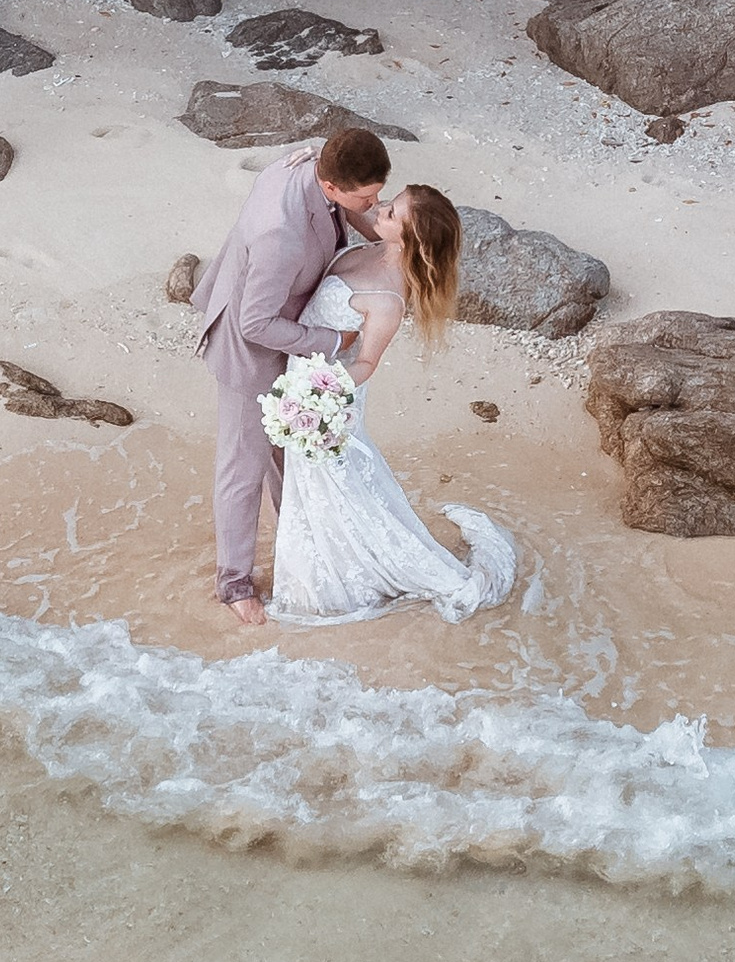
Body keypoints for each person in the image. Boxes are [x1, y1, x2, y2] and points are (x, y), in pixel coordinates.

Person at [266, 183, 516, 626]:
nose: (381, 209)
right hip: (302, 380)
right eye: (390, 201)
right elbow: (340, 199)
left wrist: (323, 394)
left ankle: (334, 580)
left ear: (408, 238)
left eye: (392, 213)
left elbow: (366, 363)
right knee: (320, 489)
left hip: (328, 398)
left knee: (330, 489)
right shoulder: (372, 242)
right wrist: (310, 162)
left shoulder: (387, 301)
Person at [191, 125, 391, 625]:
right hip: (252, 349)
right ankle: (233, 583)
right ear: (331, 186)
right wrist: (333, 342)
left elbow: (348, 218)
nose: (372, 205)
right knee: (244, 468)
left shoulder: (316, 160)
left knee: (292, 454)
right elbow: (254, 323)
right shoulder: (279, 233)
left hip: (291, 324)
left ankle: (301, 550)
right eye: (366, 198)